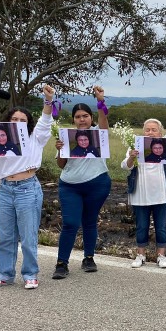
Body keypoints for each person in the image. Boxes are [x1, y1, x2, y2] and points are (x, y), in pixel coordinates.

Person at [0, 85, 55, 289]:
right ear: (7, 121)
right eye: (14, 119)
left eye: (23, 120)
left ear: (28, 124)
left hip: (27, 188)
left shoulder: (35, 138)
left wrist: (48, 100)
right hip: (5, 189)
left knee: (28, 236)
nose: (18, 123)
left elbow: (45, 122)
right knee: (5, 236)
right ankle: (5, 274)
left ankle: (30, 274)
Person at [53, 87, 112, 279]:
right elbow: (61, 165)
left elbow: (104, 121)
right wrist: (61, 150)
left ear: (91, 118)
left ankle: (88, 258)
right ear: (73, 120)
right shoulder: (67, 137)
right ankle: (62, 263)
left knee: (89, 221)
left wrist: (100, 100)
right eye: (77, 116)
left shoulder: (98, 134)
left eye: (85, 115)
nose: (82, 119)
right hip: (70, 185)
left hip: (97, 183)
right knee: (70, 223)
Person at [122, 98, 166, 269]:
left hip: (162, 193)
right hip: (140, 194)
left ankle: (161, 256)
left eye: (154, 130)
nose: (150, 132)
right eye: (147, 130)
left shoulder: (165, 144)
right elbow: (125, 166)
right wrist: (131, 157)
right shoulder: (134, 147)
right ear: (143, 131)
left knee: (161, 226)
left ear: (160, 132)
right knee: (141, 225)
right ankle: (140, 255)